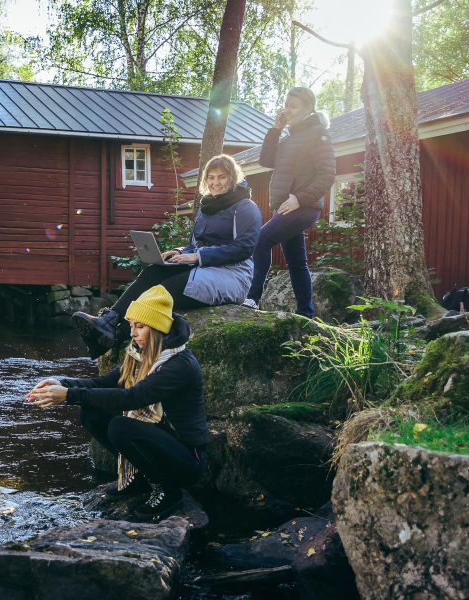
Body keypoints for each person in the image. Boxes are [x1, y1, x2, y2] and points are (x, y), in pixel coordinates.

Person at [26, 285, 207, 521]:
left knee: (120, 426)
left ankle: (169, 491)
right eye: (131, 326)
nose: (132, 333)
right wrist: (63, 382)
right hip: (161, 440)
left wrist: (69, 395)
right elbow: (106, 382)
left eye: (139, 327)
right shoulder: (139, 354)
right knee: (90, 413)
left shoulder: (179, 364)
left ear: (156, 328)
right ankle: (142, 477)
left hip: (187, 459)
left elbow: (132, 398)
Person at [70, 154, 262, 358]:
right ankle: (108, 321)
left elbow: (244, 249)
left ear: (233, 178)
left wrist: (198, 257)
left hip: (232, 275)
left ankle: (116, 335)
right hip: (203, 266)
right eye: (211, 177)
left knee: (163, 292)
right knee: (153, 271)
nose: (215, 183)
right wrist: (179, 252)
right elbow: (193, 245)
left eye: (222, 177)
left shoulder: (246, 208)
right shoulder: (205, 208)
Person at [241, 86, 336, 317]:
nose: (287, 110)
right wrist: (276, 130)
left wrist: (299, 199)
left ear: (308, 108)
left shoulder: (317, 134)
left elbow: (328, 174)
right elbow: (265, 160)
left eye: (293, 106)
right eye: (286, 105)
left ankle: (252, 299)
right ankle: (306, 313)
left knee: (260, 240)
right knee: (296, 262)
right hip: (286, 207)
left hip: (302, 206)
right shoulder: (290, 137)